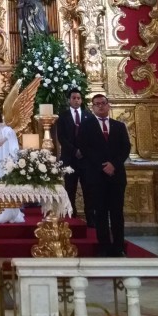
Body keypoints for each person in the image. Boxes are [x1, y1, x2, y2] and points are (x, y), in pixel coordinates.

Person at [78, 93, 131, 257]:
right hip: (97, 176)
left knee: (117, 213)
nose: (100, 106)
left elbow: (125, 148)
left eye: (103, 103)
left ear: (108, 105)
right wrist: (103, 165)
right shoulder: (86, 126)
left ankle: (119, 246)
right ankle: (104, 246)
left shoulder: (119, 126)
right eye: (97, 104)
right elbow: (85, 148)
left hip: (116, 176)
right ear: (92, 107)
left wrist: (113, 164)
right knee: (100, 213)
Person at [56, 88, 95, 225]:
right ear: (69, 100)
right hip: (70, 159)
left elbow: (92, 137)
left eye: (78, 98)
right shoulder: (63, 116)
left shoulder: (88, 116)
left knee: (88, 189)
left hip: (85, 160)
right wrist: (74, 151)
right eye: (74, 98)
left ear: (81, 100)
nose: (76, 100)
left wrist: (83, 151)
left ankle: (91, 219)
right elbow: (62, 137)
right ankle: (71, 218)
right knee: (70, 189)